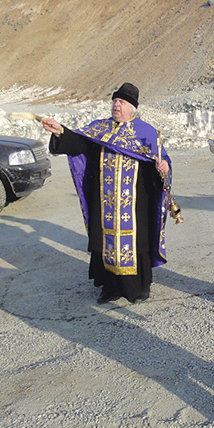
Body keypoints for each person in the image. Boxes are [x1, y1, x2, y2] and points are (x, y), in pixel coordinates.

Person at [42, 83, 172, 304]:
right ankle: (110, 288)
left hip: (135, 203)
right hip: (104, 201)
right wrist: (60, 131)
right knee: (105, 241)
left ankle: (138, 289)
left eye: (121, 102)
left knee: (136, 242)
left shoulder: (146, 132)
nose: (116, 105)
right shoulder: (100, 129)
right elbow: (79, 143)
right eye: (115, 101)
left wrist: (164, 168)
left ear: (132, 108)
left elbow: (162, 160)